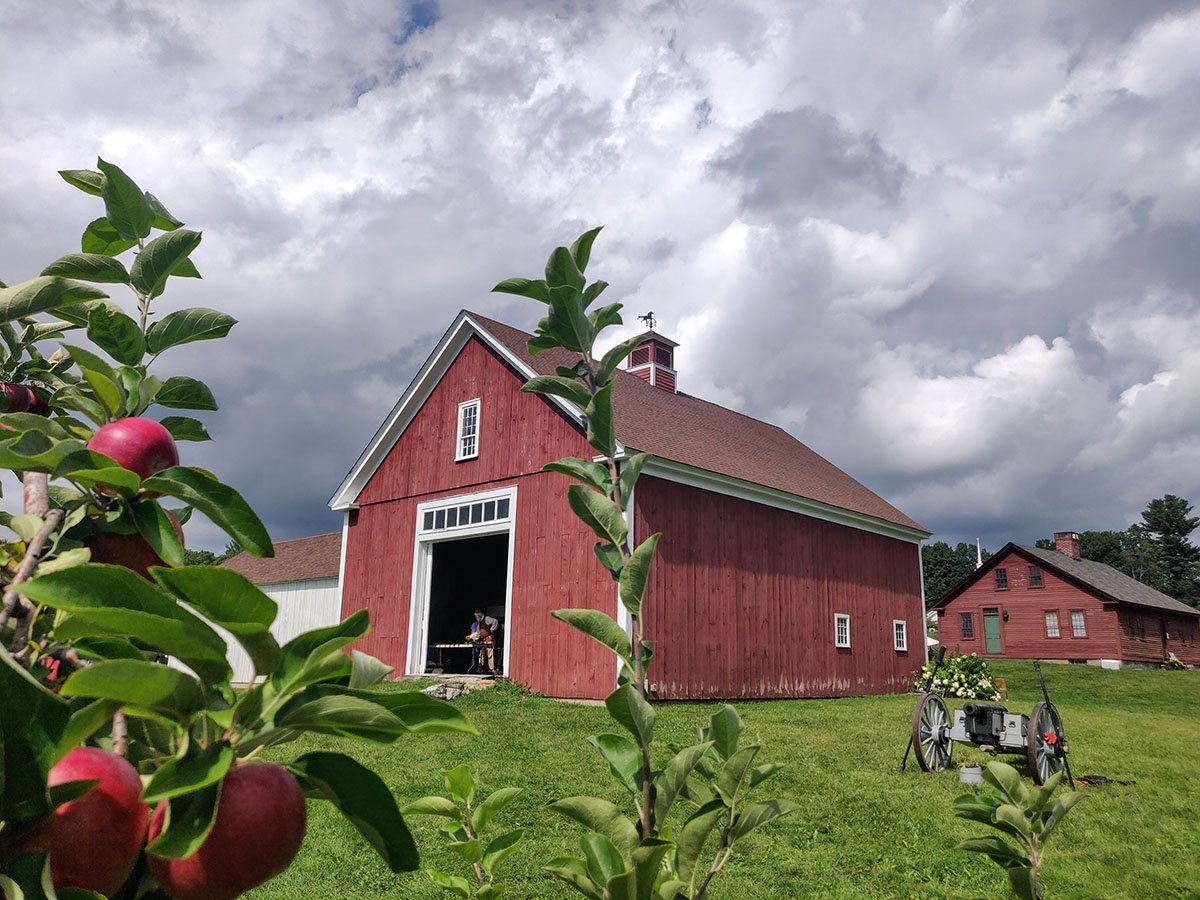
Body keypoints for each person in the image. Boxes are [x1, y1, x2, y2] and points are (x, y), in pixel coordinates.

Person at [465, 608, 499, 674]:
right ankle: (480, 669)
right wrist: (470, 636)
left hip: (489, 640)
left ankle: (491, 670)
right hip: (483, 641)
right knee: (481, 655)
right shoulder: (479, 624)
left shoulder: (487, 619)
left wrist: (492, 629)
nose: (476, 618)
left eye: (476, 617)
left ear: (479, 616)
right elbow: (478, 633)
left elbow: (495, 622)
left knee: (490, 655)